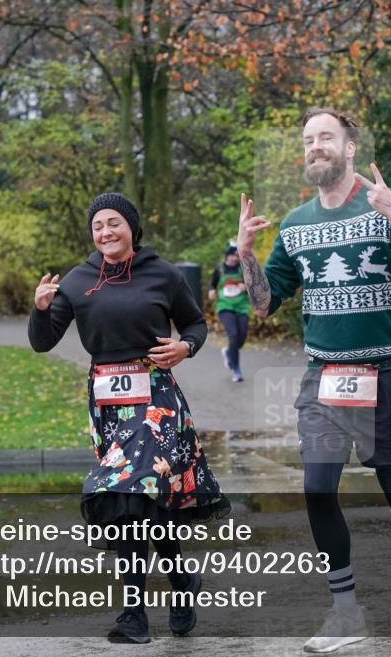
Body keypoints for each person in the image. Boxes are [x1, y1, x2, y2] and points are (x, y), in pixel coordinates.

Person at [236, 107, 391, 649]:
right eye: (308, 140)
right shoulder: (297, 224)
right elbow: (264, 303)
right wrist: (245, 256)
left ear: (350, 147)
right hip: (325, 379)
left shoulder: (382, 206)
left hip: (386, 372)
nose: (315, 147)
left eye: (325, 137)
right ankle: (346, 613)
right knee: (316, 490)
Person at [28, 192, 229, 644]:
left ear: (131, 227)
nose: (105, 232)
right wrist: (40, 310)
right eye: (97, 225)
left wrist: (185, 348)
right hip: (107, 402)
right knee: (133, 502)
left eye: (113, 223)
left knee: (131, 493)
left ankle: (134, 613)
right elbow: (43, 342)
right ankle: (181, 584)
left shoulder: (163, 273)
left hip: (156, 396)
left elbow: (195, 325)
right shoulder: (78, 281)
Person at [207, 241, 250, 382]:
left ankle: (228, 352)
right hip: (225, 306)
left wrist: (246, 286)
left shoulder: (242, 268)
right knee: (233, 334)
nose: (235, 258)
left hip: (242, 305)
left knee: (241, 337)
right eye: (233, 255)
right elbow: (213, 285)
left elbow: (251, 285)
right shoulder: (219, 269)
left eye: (237, 256)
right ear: (227, 255)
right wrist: (211, 291)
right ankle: (236, 369)